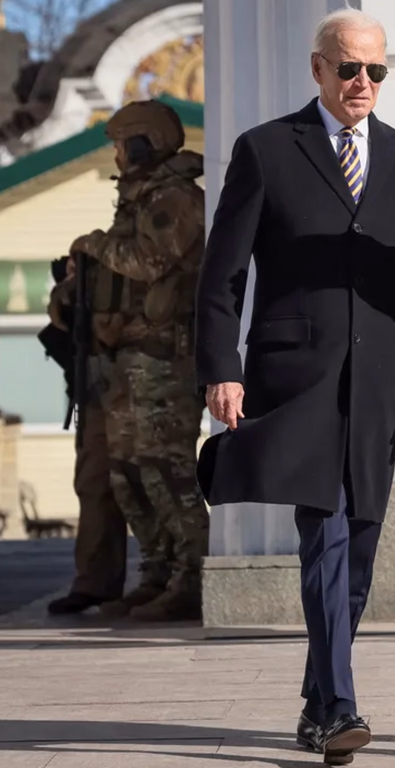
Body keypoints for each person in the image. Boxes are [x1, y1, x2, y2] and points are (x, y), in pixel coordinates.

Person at [193, 9, 395, 765]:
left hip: (381, 378)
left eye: (376, 71)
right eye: (349, 69)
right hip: (297, 378)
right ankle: (341, 703)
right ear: (317, 70)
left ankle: (318, 703)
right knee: (329, 531)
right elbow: (223, 276)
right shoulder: (267, 150)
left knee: (363, 539)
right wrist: (221, 367)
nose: (363, 84)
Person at [66, 99, 209, 622]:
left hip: (167, 359)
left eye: (123, 145)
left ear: (145, 143)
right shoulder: (137, 201)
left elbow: (149, 263)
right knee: (128, 472)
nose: (118, 155)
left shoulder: (176, 199)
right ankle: (158, 572)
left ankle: (191, 576)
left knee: (166, 470)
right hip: (130, 358)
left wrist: (94, 244)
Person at [41, 254, 128, 616]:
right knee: (93, 483)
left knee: (148, 486)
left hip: (144, 386)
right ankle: (94, 581)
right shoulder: (97, 256)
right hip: (99, 387)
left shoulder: (135, 255)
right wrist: (75, 282)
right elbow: (60, 315)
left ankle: (172, 578)